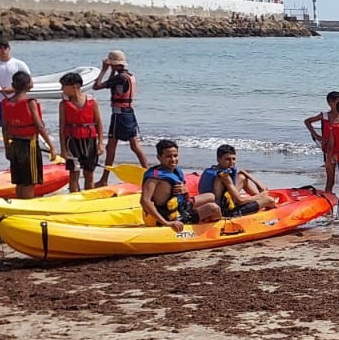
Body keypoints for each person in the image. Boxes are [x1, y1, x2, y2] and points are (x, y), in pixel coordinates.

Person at [93, 50, 148, 184]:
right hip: (128, 113)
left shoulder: (119, 78)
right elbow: (111, 84)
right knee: (134, 145)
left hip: (119, 115)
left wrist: (103, 70)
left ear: (113, 64)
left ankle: (104, 179)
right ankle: (148, 173)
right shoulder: (128, 76)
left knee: (111, 146)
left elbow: (96, 86)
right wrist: (110, 70)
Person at [142, 139, 221, 231]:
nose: (173, 159)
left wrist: (185, 191)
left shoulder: (175, 171)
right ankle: (205, 225)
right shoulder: (154, 177)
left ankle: (202, 218)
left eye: (175, 156)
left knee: (210, 196)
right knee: (213, 208)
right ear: (159, 157)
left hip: (181, 208)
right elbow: (145, 201)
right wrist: (166, 223)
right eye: (168, 156)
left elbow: (183, 198)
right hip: (170, 217)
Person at [0, 70, 56, 200]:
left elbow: (5, 128)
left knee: (20, 181)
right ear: (27, 84)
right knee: (29, 182)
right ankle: (27, 206)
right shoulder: (30, 102)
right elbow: (39, 126)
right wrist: (51, 146)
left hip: (14, 144)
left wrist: (7, 148)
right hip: (28, 145)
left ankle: (19, 204)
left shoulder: (6, 103)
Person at [200, 144, 276, 217]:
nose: (232, 162)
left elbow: (240, 173)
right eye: (227, 159)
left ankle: (260, 199)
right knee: (270, 200)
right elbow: (240, 201)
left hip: (219, 203)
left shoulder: (212, 170)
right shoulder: (224, 176)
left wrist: (255, 182)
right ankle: (264, 200)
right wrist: (260, 195)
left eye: (233, 159)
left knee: (242, 177)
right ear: (218, 160)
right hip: (226, 212)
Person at [58, 72, 104, 193]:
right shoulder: (63, 104)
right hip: (72, 141)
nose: (61, 89)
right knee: (74, 173)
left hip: (89, 140)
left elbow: (99, 123)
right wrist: (63, 149)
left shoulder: (92, 101)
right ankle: (74, 199)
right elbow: (62, 127)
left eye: (64, 86)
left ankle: (89, 200)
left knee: (89, 173)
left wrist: (100, 143)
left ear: (75, 86)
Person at [304, 91, 339, 193]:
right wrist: (316, 135)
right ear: (331, 103)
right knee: (330, 179)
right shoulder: (325, 115)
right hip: (328, 151)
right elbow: (307, 121)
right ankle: (328, 197)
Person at [0, 40, 30, 129]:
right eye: (0, 48)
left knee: (21, 126)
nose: (3, 50)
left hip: (18, 101)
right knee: (4, 128)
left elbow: (30, 84)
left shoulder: (19, 64)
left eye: (5, 47)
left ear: (9, 48)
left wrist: (13, 89)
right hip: (0, 101)